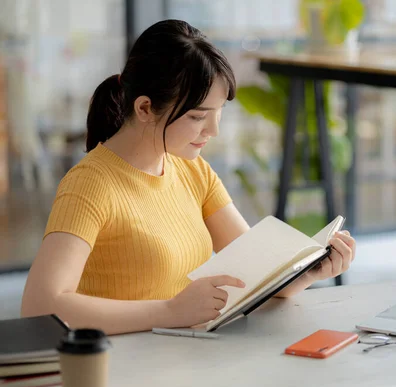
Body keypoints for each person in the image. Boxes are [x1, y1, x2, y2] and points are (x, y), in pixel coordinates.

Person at [20, 20, 356, 335]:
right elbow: (39, 308)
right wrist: (169, 311)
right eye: (198, 116)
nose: (213, 130)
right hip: (123, 366)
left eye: (219, 113)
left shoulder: (193, 170)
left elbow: (255, 276)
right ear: (145, 109)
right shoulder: (90, 184)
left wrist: (310, 270)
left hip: (184, 355)